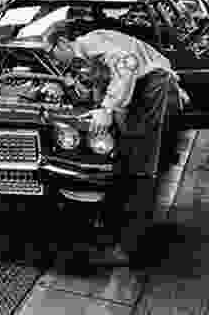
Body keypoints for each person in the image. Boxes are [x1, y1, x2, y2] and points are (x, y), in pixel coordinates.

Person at [48, 25, 189, 266]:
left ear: (63, 43)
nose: (52, 59)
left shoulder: (92, 44)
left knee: (140, 164)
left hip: (152, 86)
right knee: (124, 157)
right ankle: (118, 229)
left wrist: (106, 109)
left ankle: (132, 249)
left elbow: (127, 65)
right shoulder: (85, 56)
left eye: (51, 52)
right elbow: (104, 81)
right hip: (141, 89)